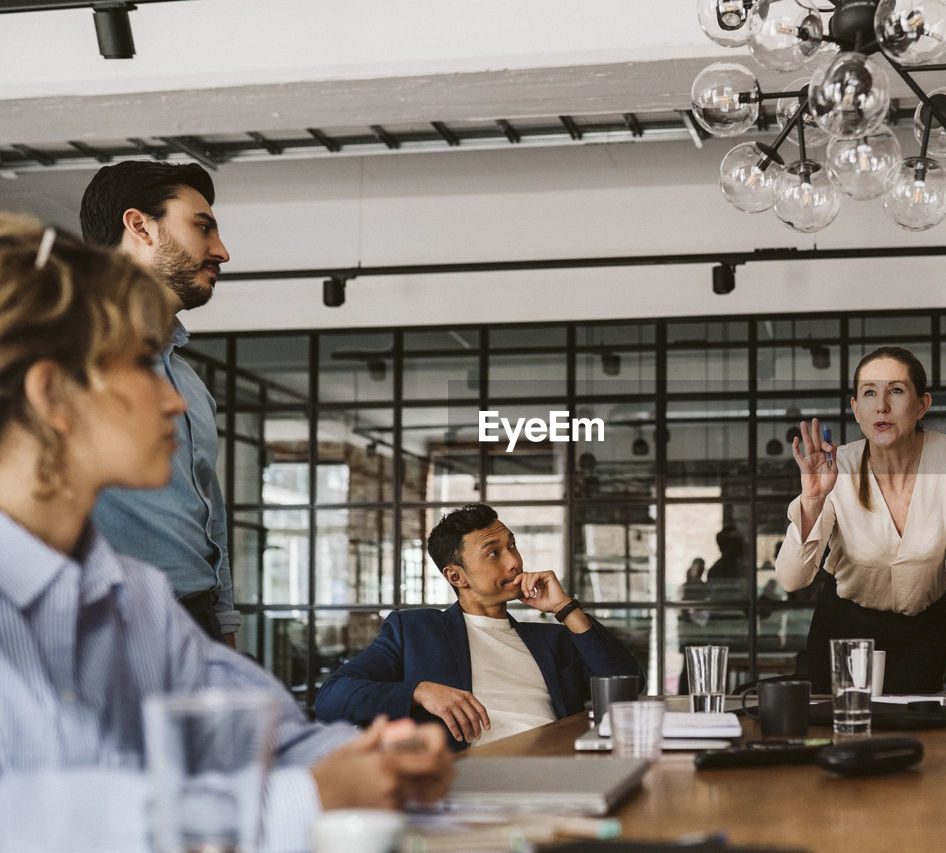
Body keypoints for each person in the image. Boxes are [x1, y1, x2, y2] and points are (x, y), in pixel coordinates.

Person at [0, 216, 452, 851]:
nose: (175, 402)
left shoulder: (135, 598)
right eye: (138, 364)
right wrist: (313, 796)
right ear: (53, 396)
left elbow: (273, 735)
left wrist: (378, 757)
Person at [315, 503, 643, 749]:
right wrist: (420, 691)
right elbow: (331, 698)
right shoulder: (415, 630)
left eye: (511, 545)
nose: (514, 561)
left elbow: (627, 685)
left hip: (555, 768)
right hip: (465, 779)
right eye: (493, 553)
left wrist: (564, 607)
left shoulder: (551, 640)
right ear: (456, 576)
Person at [79, 160, 237, 646]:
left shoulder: (190, 385)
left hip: (197, 623)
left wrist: (224, 627)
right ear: (140, 226)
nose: (223, 252)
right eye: (202, 227)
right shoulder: (60, 356)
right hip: (106, 626)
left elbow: (210, 515)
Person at [775, 346, 946, 693]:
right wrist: (813, 500)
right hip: (843, 634)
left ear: (922, 404)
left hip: (922, 635)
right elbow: (791, 580)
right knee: (844, 737)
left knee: (919, 743)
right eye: (869, 393)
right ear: (856, 409)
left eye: (897, 390)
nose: (882, 405)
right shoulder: (837, 465)